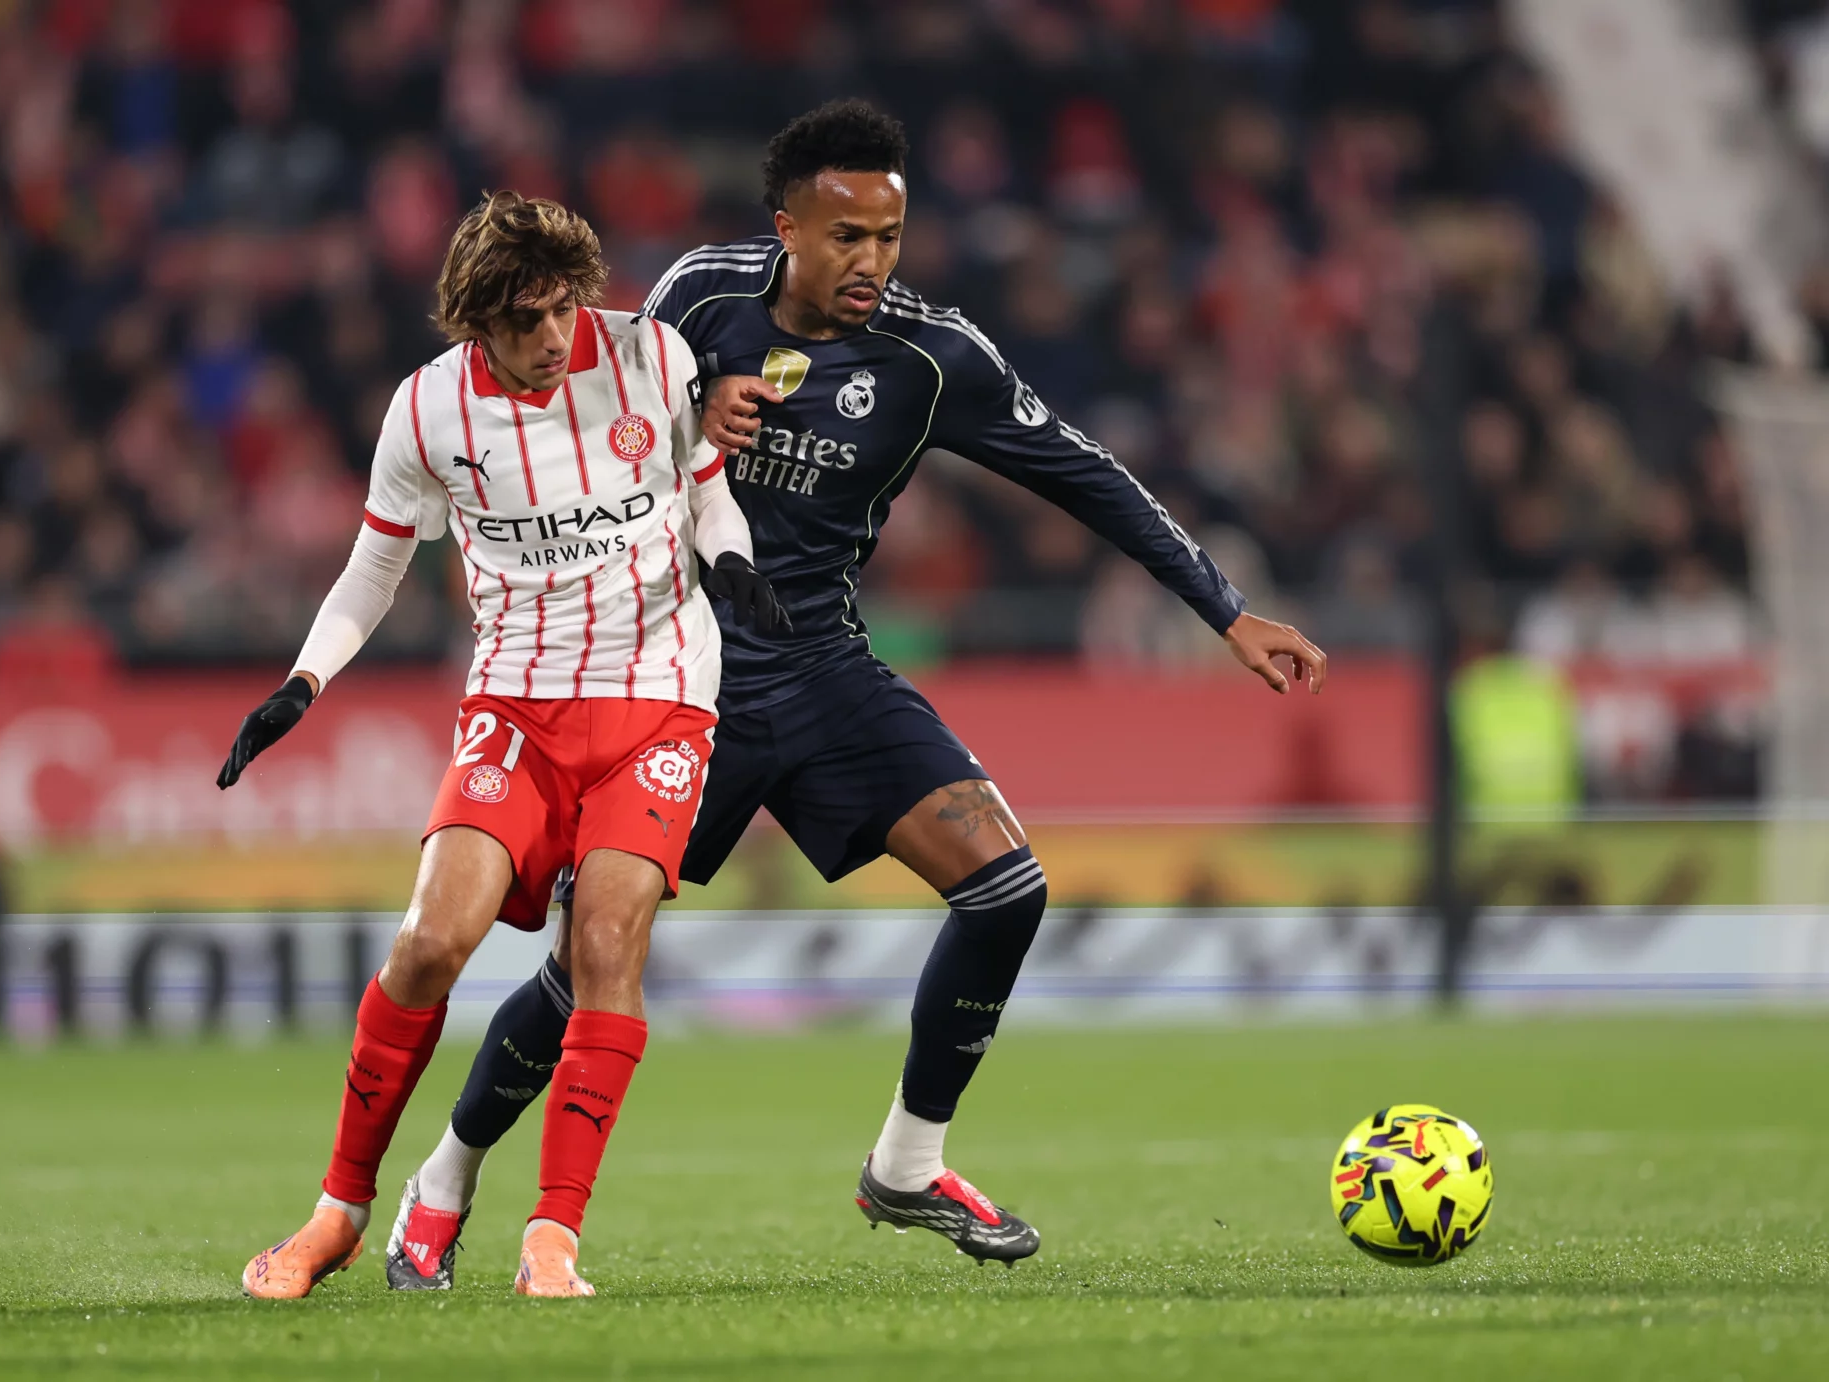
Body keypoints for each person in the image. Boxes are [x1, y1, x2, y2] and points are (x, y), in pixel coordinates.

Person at [391, 101, 1325, 1285]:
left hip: (822, 666)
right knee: (587, 964)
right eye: (846, 236)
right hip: (677, 674)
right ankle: (443, 1179)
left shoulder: (934, 358)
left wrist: (1226, 608)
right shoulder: (697, 298)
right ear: (786, 228)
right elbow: (579, 423)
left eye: (889, 234)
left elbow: (1083, 472)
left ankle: (907, 1162)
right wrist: (688, 423)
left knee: (1007, 886)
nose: (872, 260)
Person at [218, 191, 784, 1300]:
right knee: (432, 942)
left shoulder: (651, 358)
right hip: (516, 707)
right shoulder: (427, 410)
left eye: (564, 309)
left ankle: (552, 1236)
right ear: (477, 320)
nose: (553, 337)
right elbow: (375, 567)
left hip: (659, 697)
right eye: (525, 321)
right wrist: (303, 681)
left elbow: (709, 499)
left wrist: (733, 564)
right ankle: (338, 1213)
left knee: (606, 942)